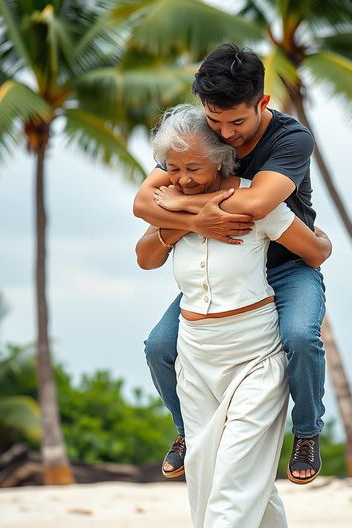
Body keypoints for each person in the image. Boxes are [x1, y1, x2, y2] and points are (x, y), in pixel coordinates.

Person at [135, 104, 332, 528]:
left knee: (240, 470)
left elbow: (313, 251)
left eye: (191, 167)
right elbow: (145, 257)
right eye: (171, 168)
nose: (178, 177)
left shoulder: (252, 202)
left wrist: (322, 241)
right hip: (197, 358)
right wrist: (182, 218)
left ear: (223, 159)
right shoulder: (171, 202)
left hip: (254, 352)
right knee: (207, 474)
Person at [133, 43, 327, 484]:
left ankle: (307, 431)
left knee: (300, 335)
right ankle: (185, 433)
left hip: (288, 262)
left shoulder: (290, 138)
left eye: (236, 122)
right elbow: (144, 201)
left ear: (262, 102)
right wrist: (197, 219)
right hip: (228, 270)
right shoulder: (202, 135)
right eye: (215, 121)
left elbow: (258, 202)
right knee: (159, 347)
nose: (225, 134)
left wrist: (187, 203)